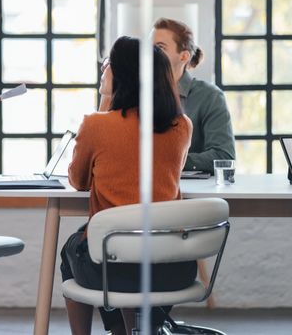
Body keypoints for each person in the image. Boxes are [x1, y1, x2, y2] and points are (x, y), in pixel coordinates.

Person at [60, 36, 196, 335]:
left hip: (113, 267)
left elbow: (78, 181)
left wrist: (104, 102)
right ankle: (137, 329)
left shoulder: (96, 125)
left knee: (76, 248)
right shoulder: (182, 126)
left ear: (122, 76)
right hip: (172, 266)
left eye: (108, 65)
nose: (103, 70)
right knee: (129, 250)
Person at [152, 18, 235, 172]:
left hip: (194, 192)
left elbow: (223, 156)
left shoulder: (210, 96)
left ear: (184, 57)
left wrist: (170, 160)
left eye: (160, 48)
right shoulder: (139, 95)